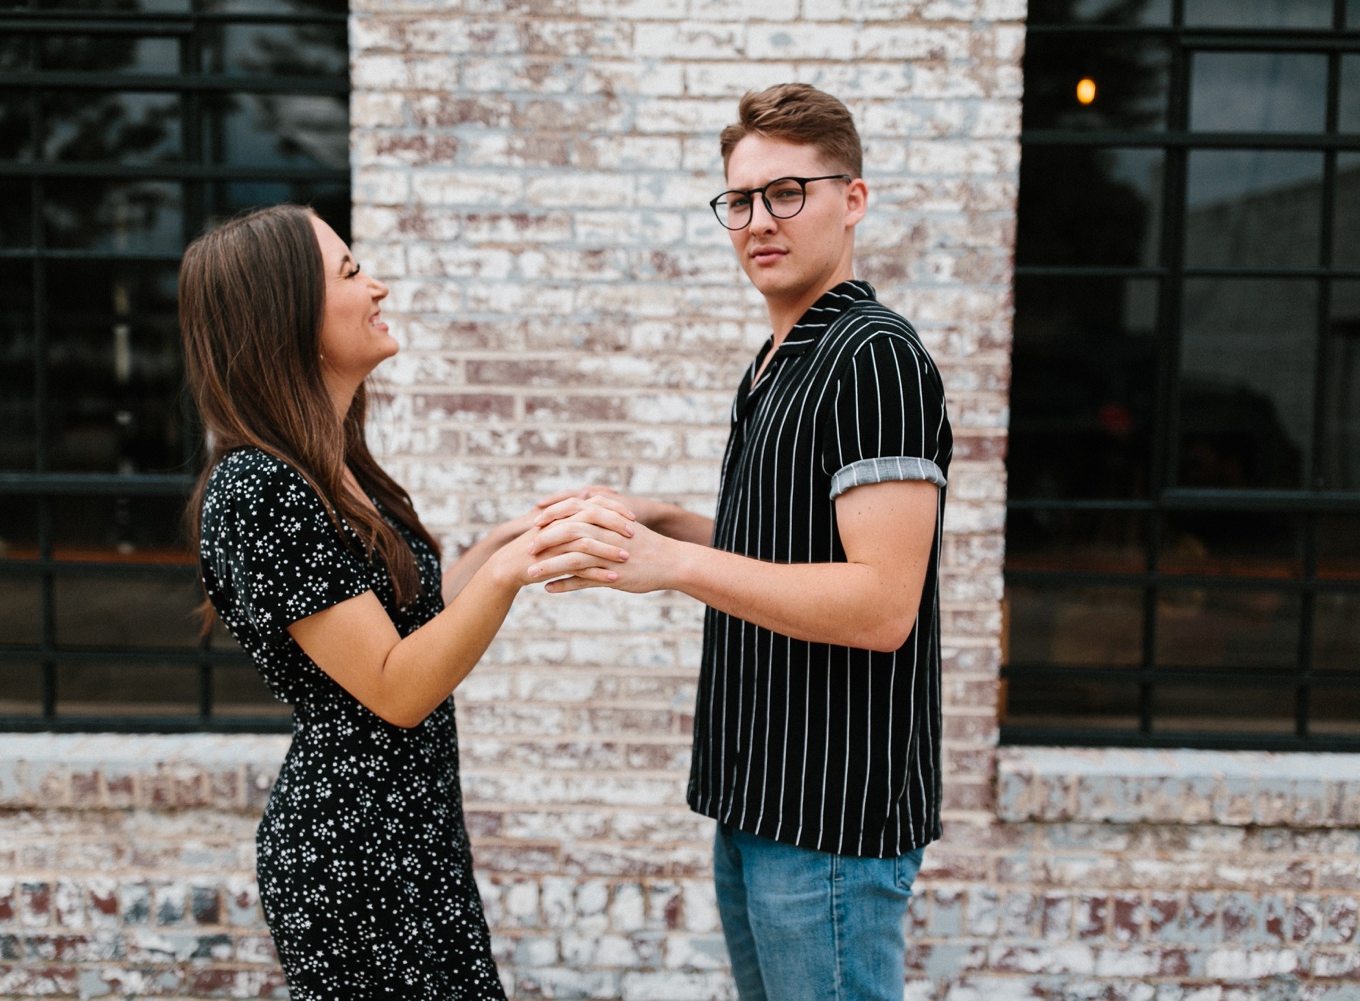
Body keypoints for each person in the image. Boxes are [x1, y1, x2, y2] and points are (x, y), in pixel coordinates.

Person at [534, 84, 952, 1001]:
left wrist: (674, 566)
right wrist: (660, 521)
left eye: (788, 192)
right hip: (755, 802)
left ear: (853, 198)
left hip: (831, 823)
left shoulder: (874, 358)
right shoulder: (777, 361)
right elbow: (787, 551)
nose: (760, 220)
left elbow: (881, 604)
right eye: (741, 199)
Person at [180, 204, 635, 999]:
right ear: (291, 316)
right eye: (351, 272)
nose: (378, 286)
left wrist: (525, 533)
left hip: (408, 834)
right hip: (356, 856)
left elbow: (409, 620)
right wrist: (509, 570)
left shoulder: (331, 462)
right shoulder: (259, 487)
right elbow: (396, 685)